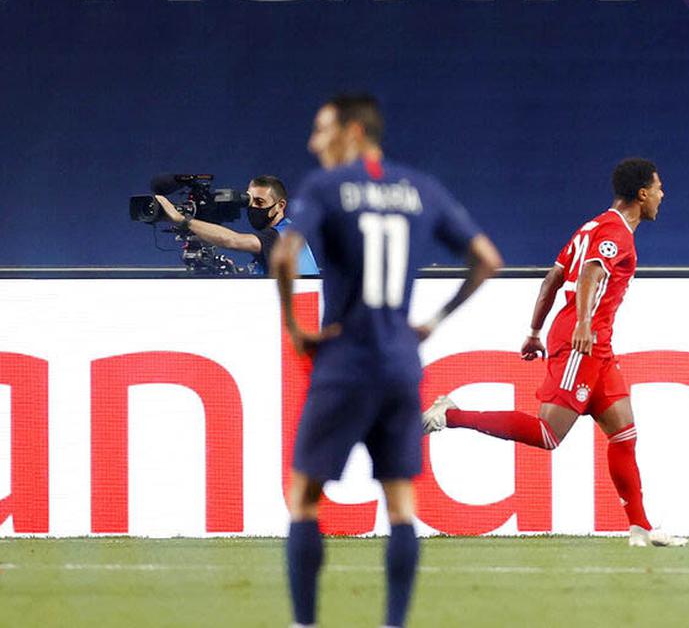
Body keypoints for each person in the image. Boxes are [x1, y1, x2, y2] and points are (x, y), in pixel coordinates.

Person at [271, 93, 502, 628]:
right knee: (401, 505)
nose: (314, 142)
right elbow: (487, 259)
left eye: (322, 129)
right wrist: (433, 323)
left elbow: (283, 253)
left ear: (353, 132)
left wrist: (294, 326)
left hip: (345, 361)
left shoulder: (325, 187)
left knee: (304, 496)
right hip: (400, 361)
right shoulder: (421, 188)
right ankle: (394, 624)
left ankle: (305, 623)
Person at [421, 158, 687, 548]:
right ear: (642, 193)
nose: (663, 195)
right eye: (659, 188)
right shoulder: (616, 232)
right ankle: (450, 414)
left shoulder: (591, 226)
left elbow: (553, 278)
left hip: (597, 345)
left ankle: (640, 529)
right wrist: (581, 323)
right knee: (548, 434)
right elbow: (592, 273)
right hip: (583, 340)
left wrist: (533, 331)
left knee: (624, 433)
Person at [155, 175, 320, 275]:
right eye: (250, 201)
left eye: (260, 202)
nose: (253, 207)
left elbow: (232, 240)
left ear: (280, 205)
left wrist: (183, 220)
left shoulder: (282, 236)